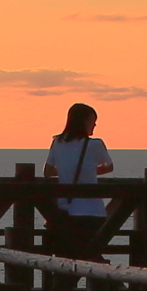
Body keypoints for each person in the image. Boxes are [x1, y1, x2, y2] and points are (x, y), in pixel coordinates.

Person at [43, 103, 114, 259]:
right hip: (92, 211)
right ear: (84, 121)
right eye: (92, 121)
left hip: (65, 211)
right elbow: (109, 167)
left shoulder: (57, 142)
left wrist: (65, 170)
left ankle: (64, 282)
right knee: (89, 254)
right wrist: (88, 171)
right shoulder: (95, 144)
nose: (94, 125)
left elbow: (47, 172)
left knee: (68, 255)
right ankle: (106, 281)